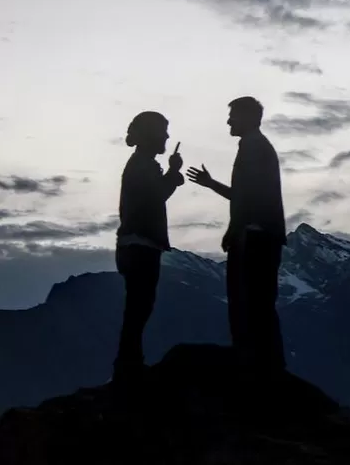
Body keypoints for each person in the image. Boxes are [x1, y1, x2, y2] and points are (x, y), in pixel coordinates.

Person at [187, 96, 287, 372]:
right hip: (262, 236)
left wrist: (235, 230)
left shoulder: (253, 148)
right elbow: (244, 195)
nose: (229, 121)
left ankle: (254, 365)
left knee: (248, 302)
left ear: (250, 117)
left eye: (234, 115)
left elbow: (246, 198)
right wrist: (211, 184)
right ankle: (268, 366)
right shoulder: (256, 147)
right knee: (260, 304)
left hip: (254, 238)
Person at [114, 111, 184, 384]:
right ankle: (128, 364)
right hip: (140, 245)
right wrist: (174, 172)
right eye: (164, 131)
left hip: (134, 245)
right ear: (152, 134)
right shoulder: (143, 165)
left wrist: (170, 175)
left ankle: (129, 361)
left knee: (138, 306)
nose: (167, 136)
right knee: (139, 306)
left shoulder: (140, 164)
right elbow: (156, 196)